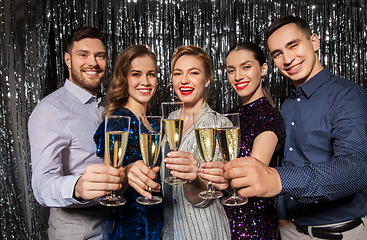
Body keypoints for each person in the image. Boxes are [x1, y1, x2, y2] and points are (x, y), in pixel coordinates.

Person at [223, 15, 367, 239]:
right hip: (290, 230)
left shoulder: (347, 95)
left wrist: (278, 180)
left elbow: (356, 169)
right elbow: (289, 160)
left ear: (315, 42)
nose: (287, 59)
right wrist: (281, 214)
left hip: (338, 230)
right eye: (278, 54)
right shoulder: (287, 106)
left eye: (293, 45)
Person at [29, 26, 123, 239]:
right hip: (75, 226)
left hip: (115, 219)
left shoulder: (109, 106)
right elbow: (42, 185)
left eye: (100, 56)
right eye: (83, 55)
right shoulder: (50, 110)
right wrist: (77, 187)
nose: (93, 63)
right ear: (68, 60)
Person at [128, 45, 231, 240]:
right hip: (168, 229)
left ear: (207, 79)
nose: (184, 80)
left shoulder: (220, 124)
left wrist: (193, 179)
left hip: (202, 230)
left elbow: (204, 199)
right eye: (177, 73)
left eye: (193, 73)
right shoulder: (169, 119)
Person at [199, 42, 285, 239]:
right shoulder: (227, 117)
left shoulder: (268, 117)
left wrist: (213, 175)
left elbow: (252, 178)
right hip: (222, 222)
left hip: (253, 226)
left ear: (263, 69)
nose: (238, 76)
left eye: (246, 67)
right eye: (231, 70)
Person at [93, 44, 163, 239]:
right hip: (132, 228)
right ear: (124, 78)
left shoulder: (153, 125)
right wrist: (129, 171)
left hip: (156, 225)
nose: (145, 81)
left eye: (151, 74)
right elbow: (109, 190)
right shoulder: (119, 120)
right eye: (136, 74)